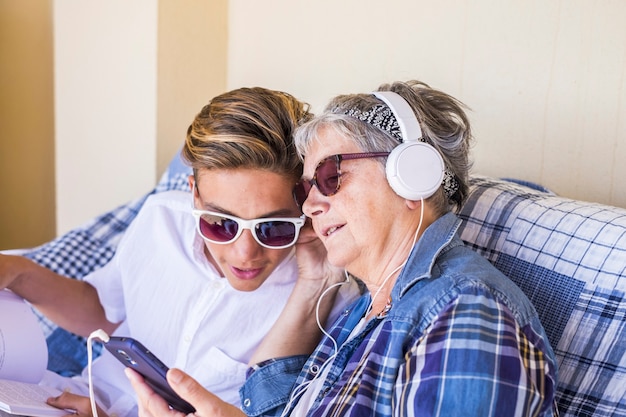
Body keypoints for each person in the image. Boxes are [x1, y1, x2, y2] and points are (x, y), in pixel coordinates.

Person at [128, 80, 558, 416]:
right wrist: (314, 282)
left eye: (331, 176)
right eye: (306, 188)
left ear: (411, 178)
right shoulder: (364, 311)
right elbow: (271, 404)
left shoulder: (465, 310)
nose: (311, 204)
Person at [0, 87, 360, 417]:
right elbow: (104, 311)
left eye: (273, 227)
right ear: (194, 194)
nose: (245, 252)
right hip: (71, 398)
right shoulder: (161, 219)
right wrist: (19, 273)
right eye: (221, 223)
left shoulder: (328, 293)